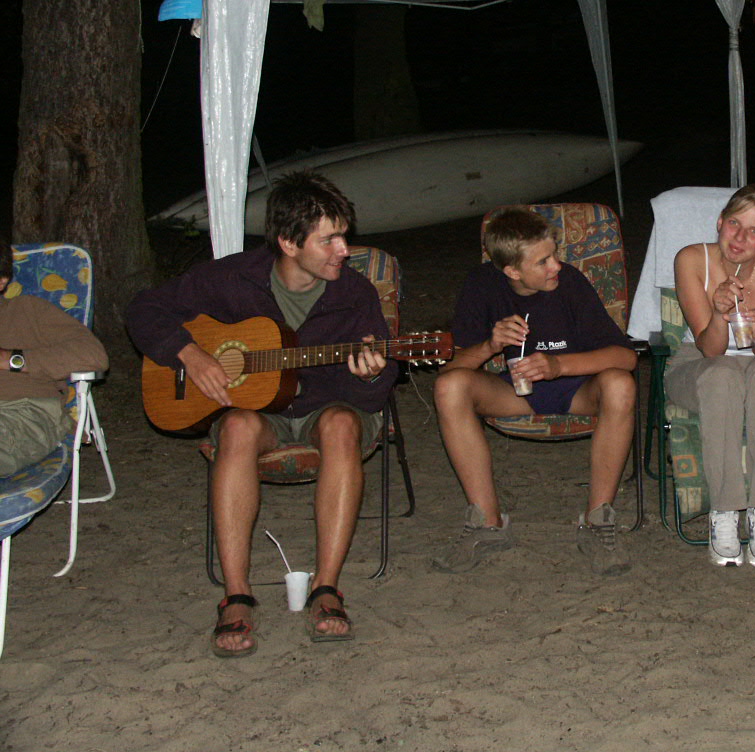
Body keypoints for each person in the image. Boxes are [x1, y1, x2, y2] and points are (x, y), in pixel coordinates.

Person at [127, 171, 395, 656]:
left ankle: (326, 589)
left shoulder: (355, 293)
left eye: (344, 236)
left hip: (326, 407)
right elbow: (144, 309)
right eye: (329, 239)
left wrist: (370, 375)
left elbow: (374, 397)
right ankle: (236, 596)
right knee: (235, 426)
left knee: (341, 424)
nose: (344, 250)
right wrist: (190, 354)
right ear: (289, 243)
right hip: (255, 411)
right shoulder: (231, 279)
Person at [432, 206, 637, 577]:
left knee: (620, 385)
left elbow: (626, 357)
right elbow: (451, 367)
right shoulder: (482, 285)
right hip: (515, 391)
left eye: (554, 254)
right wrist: (491, 345)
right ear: (512, 271)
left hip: (578, 388)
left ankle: (598, 522)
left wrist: (558, 366)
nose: (556, 265)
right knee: (449, 387)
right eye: (543, 261)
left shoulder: (570, 282)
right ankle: (488, 525)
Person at [667, 184, 755, 568]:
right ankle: (724, 512)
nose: (740, 238)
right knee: (723, 373)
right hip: (699, 365)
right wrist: (718, 313)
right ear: (719, 222)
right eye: (734, 224)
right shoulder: (691, 259)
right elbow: (709, 349)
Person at [1, 232, 109, 477]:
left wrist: (11, 359)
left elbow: (93, 355)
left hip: (20, 413)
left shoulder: (27, 310)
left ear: (2, 281)